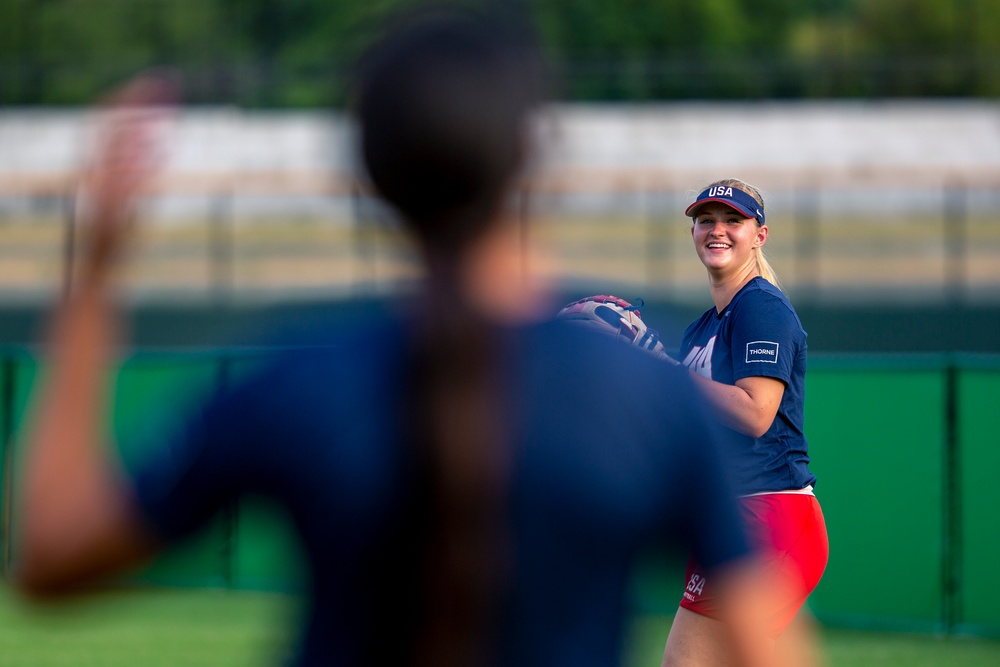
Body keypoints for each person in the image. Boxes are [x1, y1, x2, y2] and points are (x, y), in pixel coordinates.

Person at [12, 11, 798, 667]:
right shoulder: (645, 398)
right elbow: (777, 650)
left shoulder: (295, 383)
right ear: (528, 163)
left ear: (368, 173)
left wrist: (95, 274)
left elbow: (49, 557)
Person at [661, 178, 830, 666]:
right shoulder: (702, 327)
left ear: (760, 235)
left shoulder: (760, 305)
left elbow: (756, 412)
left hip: (771, 517)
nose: (718, 230)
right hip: (731, 520)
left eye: (734, 220)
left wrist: (661, 369)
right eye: (706, 220)